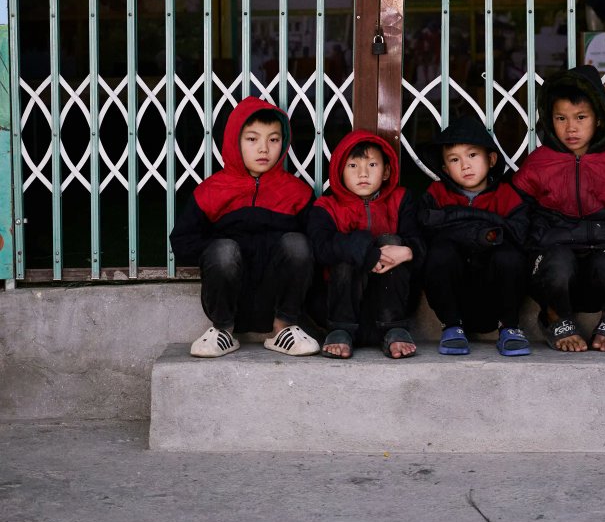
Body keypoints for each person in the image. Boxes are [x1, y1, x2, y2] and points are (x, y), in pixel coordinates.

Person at [513, 65, 605, 353]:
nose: (571, 128)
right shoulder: (540, 163)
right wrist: (536, 240)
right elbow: (518, 207)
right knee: (556, 269)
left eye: (581, 118)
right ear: (549, 121)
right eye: (561, 118)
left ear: (599, 120)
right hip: (557, 245)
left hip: (603, 244)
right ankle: (555, 315)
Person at [169, 96, 320, 358]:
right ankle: (223, 332)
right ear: (234, 141)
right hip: (231, 296)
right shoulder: (212, 191)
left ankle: (283, 330)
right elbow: (182, 241)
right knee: (224, 251)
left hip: (279, 298)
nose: (264, 149)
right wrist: (221, 250)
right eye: (252, 139)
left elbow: (319, 242)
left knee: (299, 243)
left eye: (273, 140)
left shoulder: (297, 193)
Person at [416, 115, 531, 357]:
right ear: (445, 168)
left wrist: (460, 224)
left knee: (510, 256)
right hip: (453, 292)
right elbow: (426, 230)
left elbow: (520, 233)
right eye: (454, 160)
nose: (465, 165)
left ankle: (509, 327)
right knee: (440, 252)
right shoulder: (436, 194)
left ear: (491, 159)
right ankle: (452, 327)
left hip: (495, 291)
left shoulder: (506, 194)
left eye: (472, 155)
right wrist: (484, 230)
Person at [307, 130, 423, 360]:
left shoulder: (401, 199)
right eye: (352, 166)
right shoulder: (327, 206)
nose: (363, 173)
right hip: (340, 311)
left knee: (392, 242)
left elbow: (420, 240)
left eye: (372, 165)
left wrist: (409, 251)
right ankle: (341, 329)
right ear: (340, 171)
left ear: (387, 171)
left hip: (390, 309)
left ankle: (394, 329)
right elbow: (320, 248)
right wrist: (366, 252)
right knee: (343, 247)